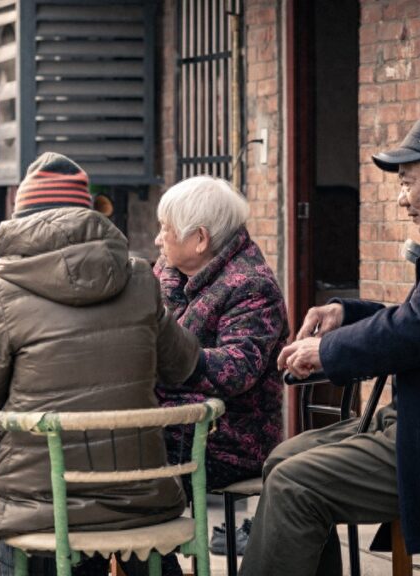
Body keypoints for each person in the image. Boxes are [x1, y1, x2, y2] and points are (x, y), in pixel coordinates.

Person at [240, 113, 420, 576]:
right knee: (282, 459)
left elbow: (419, 329)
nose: (401, 199)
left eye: (408, 183)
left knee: (296, 484)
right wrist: (346, 313)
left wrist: (326, 351)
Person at [0, 152, 201, 575]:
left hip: (36, 504)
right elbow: (184, 365)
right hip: (140, 494)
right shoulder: (140, 279)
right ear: (89, 214)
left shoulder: (1, 291)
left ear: (22, 218)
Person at [153, 175, 288, 559]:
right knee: (98, 455)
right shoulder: (170, 270)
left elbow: (236, 368)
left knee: (123, 469)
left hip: (226, 439)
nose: (158, 240)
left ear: (200, 239)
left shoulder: (251, 287)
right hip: (170, 424)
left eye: (165, 230)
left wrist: (164, 358)